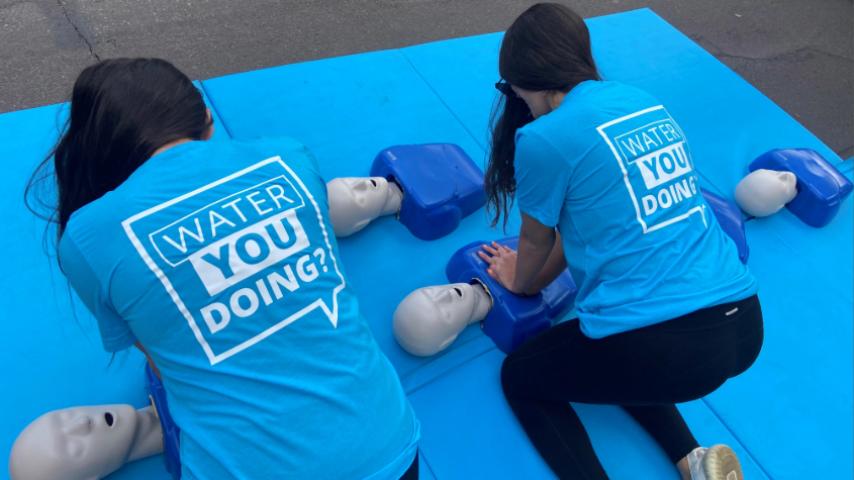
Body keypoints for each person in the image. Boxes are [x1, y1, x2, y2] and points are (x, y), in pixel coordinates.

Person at [26, 58, 419, 479]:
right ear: (208, 120)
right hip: (390, 446)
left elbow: (162, 360)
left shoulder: (87, 238)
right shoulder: (289, 154)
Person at [477, 4, 763, 480]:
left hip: (664, 346)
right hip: (744, 323)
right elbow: (581, 229)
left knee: (522, 377)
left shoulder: (544, 137)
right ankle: (696, 462)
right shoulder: (641, 100)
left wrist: (520, 280)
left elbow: (535, 243)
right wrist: (537, 279)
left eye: (511, 89)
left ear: (526, 81)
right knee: (619, 351)